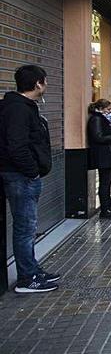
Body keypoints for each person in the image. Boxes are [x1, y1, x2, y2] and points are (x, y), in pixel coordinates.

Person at [0, 65, 60, 293]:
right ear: (38, 83)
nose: (46, 86)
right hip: (20, 177)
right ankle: (27, 278)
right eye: (45, 81)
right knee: (25, 227)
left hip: (21, 175)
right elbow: (17, 146)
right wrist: (31, 170)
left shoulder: (21, 107)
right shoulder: (18, 109)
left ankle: (32, 269)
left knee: (28, 226)